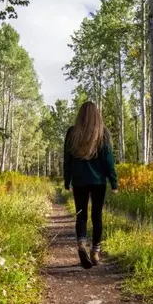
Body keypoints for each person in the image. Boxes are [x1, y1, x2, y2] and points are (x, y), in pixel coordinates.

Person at [63, 102, 118, 269]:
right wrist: (113, 182)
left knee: (81, 214)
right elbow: (109, 161)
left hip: (79, 181)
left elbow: (67, 159)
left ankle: (81, 243)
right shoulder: (103, 133)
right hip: (98, 182)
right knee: (97, 215)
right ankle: (95, 251)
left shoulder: (72, 132)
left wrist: (67, 180)